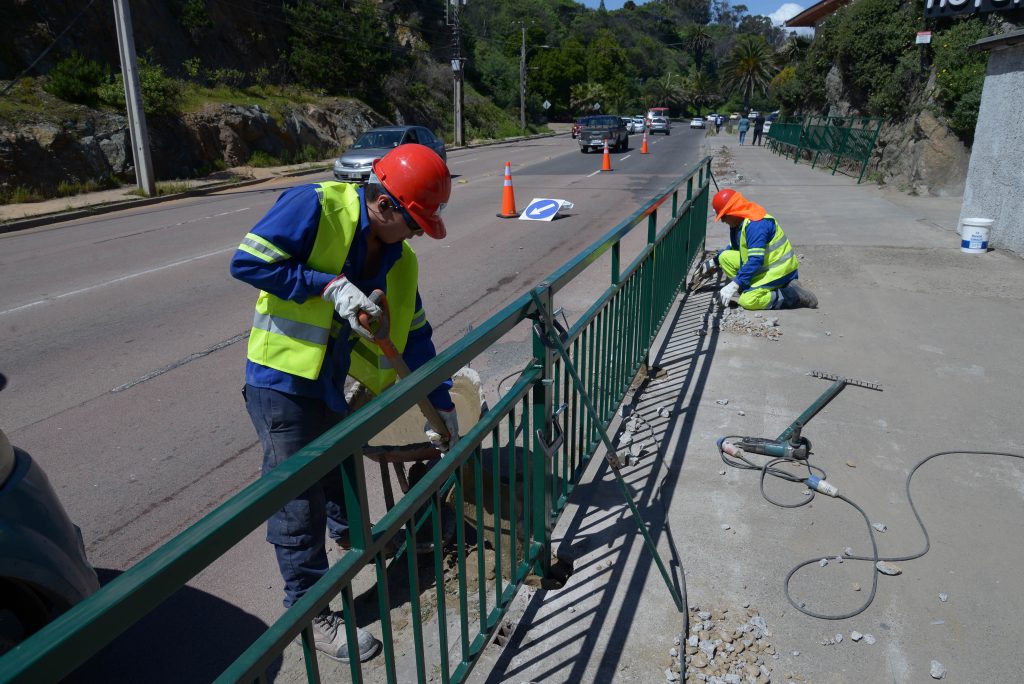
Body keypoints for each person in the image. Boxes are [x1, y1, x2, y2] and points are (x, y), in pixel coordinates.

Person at [229, 143, 460, 664]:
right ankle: (308, 611)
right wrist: (326, 286)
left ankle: (359, 557)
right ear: (383, 204)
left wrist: (440, 403)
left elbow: (416, 336)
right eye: (416, 221)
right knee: (297, 499)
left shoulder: (401, 260)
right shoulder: (315, 206)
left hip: (333, 380)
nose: (420, 232)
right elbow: (248, 262)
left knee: (341, 481)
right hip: (282, 378)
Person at [696, 188, 817, 310]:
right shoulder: (742, 220)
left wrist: (734, 285)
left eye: (723, 216)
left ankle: (794, 296)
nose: (722, 220)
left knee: (748, 301)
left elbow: (755, 260)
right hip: (767, 265)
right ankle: (755, 288)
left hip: (780, 271)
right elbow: (737, 246)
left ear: (733, 211)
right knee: (724, 257)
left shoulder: (756, 225)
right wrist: (714, 261)